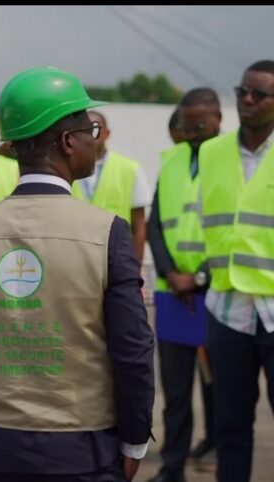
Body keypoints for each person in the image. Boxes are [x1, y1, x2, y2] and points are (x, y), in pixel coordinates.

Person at [0, 66, 155, 482]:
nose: (95, 143)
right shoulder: (108, 233)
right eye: (90, 132)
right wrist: (134, 440)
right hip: (86, 451)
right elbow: (133, 351)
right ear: (67, 142)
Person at [199, 59, 274, 482]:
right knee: (230, 426)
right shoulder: (211, 152)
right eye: (242, 91)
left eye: (260, 94)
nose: (247, 100)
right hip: (227, 308)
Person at [146, 88, 222, 482]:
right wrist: (171, 273)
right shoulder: (172, 160)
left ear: (218, 120)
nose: (191, 132)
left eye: (199, 125)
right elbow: (156, 223)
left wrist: (200, 276)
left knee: (221, 387)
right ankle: (172, 468)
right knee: (175, 392)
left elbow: (236, 227)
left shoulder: (230, 162)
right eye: (185, 125)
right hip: (174, 294)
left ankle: (223, 455)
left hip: (217, 294)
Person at [71, 111, 151, 263]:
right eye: (83, 131)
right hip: (76, 260)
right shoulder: (65, 169)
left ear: (107, 133)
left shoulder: (130, 169)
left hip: (116, 260)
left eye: (94, 130)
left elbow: (139, 227)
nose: (89, 136)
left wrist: (136, 271)